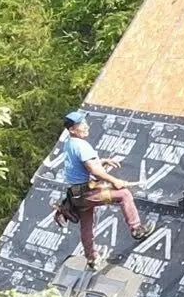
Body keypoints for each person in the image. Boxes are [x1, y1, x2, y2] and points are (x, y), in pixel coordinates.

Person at [57, 112, 156, 270]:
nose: (86, 126)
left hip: (75, 195)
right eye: (82, 125)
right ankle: (137, 229)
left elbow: (83, 164)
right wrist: (114, 180)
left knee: (87, 226)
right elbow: (94, 170)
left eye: (85, 123)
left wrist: (102, 161)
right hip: (87, 194)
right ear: (72, 130)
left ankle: (92, 258)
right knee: (124, 194)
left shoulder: (70, 143)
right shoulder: (82, 145)